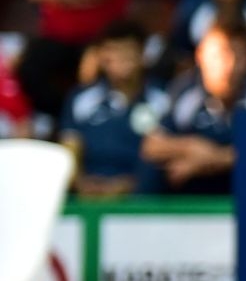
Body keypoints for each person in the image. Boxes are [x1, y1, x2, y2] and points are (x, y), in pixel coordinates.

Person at [142, 16, 246, 194]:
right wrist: (192, 146)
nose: (228, 66)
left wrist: (211, 160)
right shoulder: (184, 89)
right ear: (200, 55)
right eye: (220, 54)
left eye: (238, 55)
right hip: (193, 194)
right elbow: (152, 146)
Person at [58, 20, 166, 198]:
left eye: (127, 51)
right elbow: (70, 148)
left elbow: (164, 153)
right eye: (113, 51)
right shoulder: (81, 99)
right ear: (101, 56)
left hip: (143, 199)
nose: (120, 59)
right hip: (88, 195)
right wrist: (80, 183)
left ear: (143, 54)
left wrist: (132, 186)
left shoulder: (162, 99)